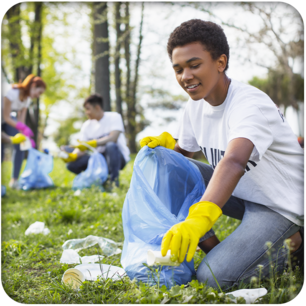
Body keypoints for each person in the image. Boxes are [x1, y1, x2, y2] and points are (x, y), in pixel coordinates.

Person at [140, 19, 306, 289]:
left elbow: (234, 161)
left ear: (220, 62)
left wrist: (199, 218)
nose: (186, 77)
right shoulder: (195, 107)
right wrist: (165, 149)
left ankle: (296, 245)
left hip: (281, 204)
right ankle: (217, 251)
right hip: (244, 195)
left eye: (194, 65)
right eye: (178, 69)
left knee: (212, 279)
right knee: (170, 166)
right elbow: (181, 159)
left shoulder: (249, 103)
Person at [60, 94, 130, 187]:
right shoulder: (86, 125)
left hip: (116, 157)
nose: (86, 112)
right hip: (98, 158)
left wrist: (93, 143)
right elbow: (83, 147)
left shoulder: (114, 117)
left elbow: (113, 138)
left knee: (110, 145)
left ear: (97, 107)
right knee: (71, 165)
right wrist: (73, 155)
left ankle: (113, 182)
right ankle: (97, 180)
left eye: (88, 109)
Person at [1, 74, 47, 189]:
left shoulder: (27, 100)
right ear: (33, 85)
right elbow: (6, 117)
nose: (38, 96)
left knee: (21, 145)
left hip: (8, 121)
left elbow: (20, 122)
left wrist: (25, 136)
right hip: (4, 118)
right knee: (0, 152)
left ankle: (14, 181)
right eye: (39, 92)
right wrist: (22, 127)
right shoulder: (12, 92)